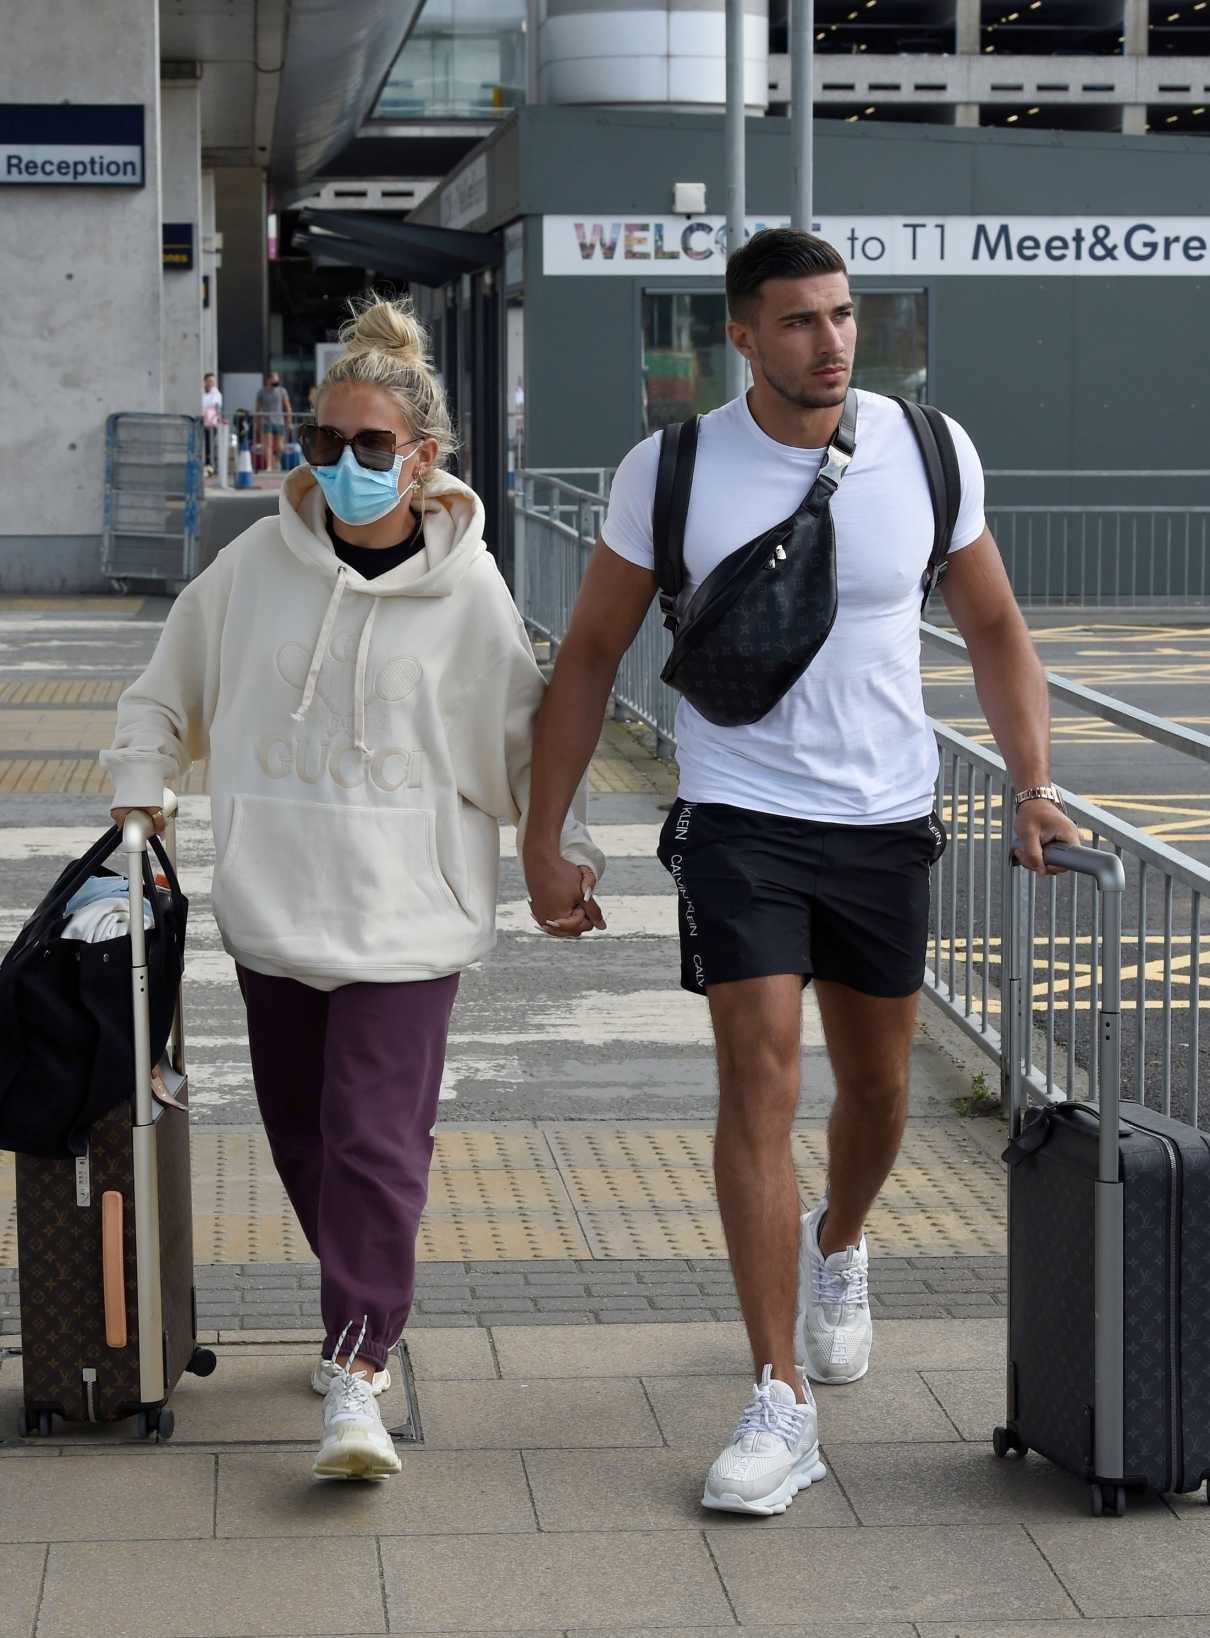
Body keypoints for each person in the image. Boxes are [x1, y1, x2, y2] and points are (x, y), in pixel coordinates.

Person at [522, 228, 1079, 1516]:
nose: (830, 342)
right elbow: (591, 655)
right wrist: (543, 835)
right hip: (739, 816)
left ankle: (840, 1240)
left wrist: (1034, 785)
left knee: (878, 1090)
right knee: (758, 1078)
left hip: (884, 820)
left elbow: (994, 624)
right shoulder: (672, 471)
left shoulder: (927, 452)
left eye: (840, 317)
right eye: (797, 322)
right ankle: (780, 1398)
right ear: (742, 335)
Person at [102, 295, 604, 1479]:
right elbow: (164, 688)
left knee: (376, 1142)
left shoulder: (470, 593)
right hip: (277, 909)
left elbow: (529, 740)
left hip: (407, 915)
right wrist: (142, 783)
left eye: (370, 446)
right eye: (322, 443)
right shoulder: (249, 568)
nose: (342, 465)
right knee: (301, 1137)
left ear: (424, 459)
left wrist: (562, 851)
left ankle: (360, 1368)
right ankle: (361, 1307)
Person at [254, 371, 292, 470]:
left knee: (280, 446)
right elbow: (257, 408)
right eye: (274, 379)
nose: (276, 381)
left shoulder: (282, 391)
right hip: (266, 421)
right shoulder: (261, 392)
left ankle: (277, 461)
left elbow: (287, 406)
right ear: (269, 380)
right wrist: (256, 423)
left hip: (279, 421)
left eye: (277, 379)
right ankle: (269, 466)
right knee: (268, 445)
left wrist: (289, 420)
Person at [201, 372, 223, 475]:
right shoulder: (203, 394)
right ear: (205, 382)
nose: (211, 383)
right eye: (209, 381)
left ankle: (212, 466)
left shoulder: (216, 394)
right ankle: (206, 466)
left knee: (211, 445)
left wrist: (213, 390)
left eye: (213, 381)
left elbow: (215, 404)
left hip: (212, 423)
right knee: (204, 445)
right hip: (203, 422)